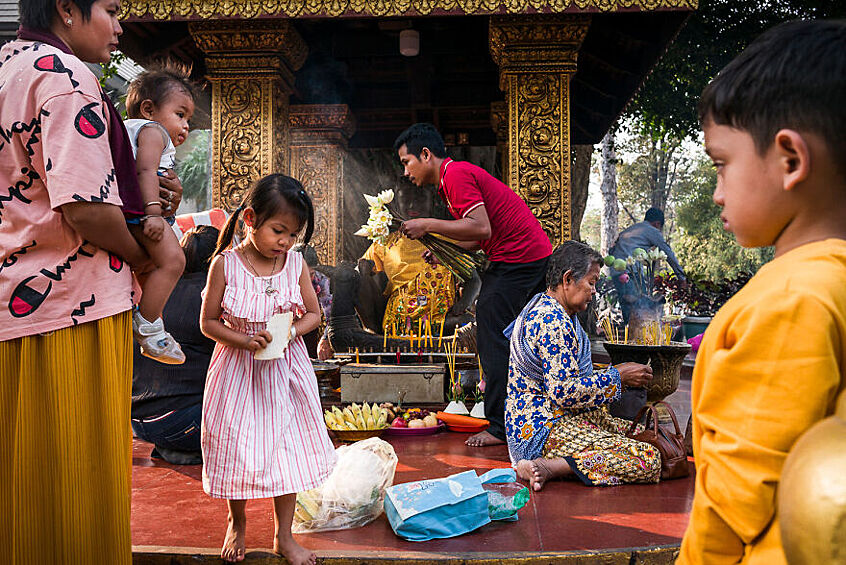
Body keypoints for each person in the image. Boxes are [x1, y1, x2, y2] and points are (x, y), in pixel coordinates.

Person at [0, 1, 183, 562]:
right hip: (74, 304)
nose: (120, 26)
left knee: (24, 490)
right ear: (66, 8)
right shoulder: (67, 76)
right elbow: (84, 207)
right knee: (82, 492)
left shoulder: (9, 63)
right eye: (110, 9)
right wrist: (142, 259)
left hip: (15, 302)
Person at [678, 20, 846, 564]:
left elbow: (732, 505)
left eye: (722, 164)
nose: (717, 192)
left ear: (790, 160)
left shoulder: (792, 298)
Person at [200, 174, 336, 564]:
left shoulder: (294, 264)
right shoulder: (225, 266)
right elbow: (207, 323)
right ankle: (237, 521)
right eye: (279, 231)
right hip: (236, 372)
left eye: (293, 235)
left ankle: (284, 536)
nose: (285, 242)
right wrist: (243, 340)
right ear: (249, 218)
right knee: (236, 446)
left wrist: (291, 330)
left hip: (285, 374)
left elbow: (314, 313)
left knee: (286, 451)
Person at [395, 123, 552, 447]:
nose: (406, 171)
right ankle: (518, 417)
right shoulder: (450, 182)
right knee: (503, 333)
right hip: (516, 260)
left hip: (521, 261)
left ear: (426, 155)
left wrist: (427, 224)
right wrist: (442, 249)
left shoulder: (455, 175)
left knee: (492, 336)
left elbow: (480, 226)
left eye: (407, 161)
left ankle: (499, 427)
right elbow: (479, 237)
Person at [505, 241, 659, 491]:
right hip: (542, 429)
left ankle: (554, 461)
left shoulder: (546, 307)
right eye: (591, 282)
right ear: (567, 279)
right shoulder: (552, 320)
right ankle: (551, 466)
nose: (594, 291)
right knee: (646, 457)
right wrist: (618, 376)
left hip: (548, 418)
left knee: (636, 431)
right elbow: (563, 391)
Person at [124, 64, 197, 364]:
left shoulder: (131, 132)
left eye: (188, 119)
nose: (186, 126)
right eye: (180, 115)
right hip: (144, 214)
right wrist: (154, 213)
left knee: (150, 269)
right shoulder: (152, 131)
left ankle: (147, 320)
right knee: (174, 261)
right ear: (149, 109)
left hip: (132, 215)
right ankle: (150, 328)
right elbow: (145, 171)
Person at [132, 225, 219, 465]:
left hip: (139, 423)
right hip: (184, 422)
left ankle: (175, 445)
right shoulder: (211, 295)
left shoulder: (154, 291)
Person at [361, 182, 479, 339]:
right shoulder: (384, 243)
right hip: (400, 322)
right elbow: (357, 277)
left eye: (420, 198)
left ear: (432, 202)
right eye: (406, 198)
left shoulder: (447, 240)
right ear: (396, 203)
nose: (412, 204)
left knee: (468, 322)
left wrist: (461, 306)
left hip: (442, 322)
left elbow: (474, 280)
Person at [608, 207, 685, 323]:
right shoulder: (652, 230)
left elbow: (611, 251)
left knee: (627, 308)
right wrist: (681, 277)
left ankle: (630, 335)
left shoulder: (631, 230)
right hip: (631, 273)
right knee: (641, 308)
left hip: (616, 272)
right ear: (657, 223)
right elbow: (667, 252)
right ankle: (641, 337)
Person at [291, 243, 332, 359]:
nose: (307, 279)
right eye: (302, 274)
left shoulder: (321, 281)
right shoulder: (281, 279)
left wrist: (325, 339)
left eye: (311, 274)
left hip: (312, 330)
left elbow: (330, 314)